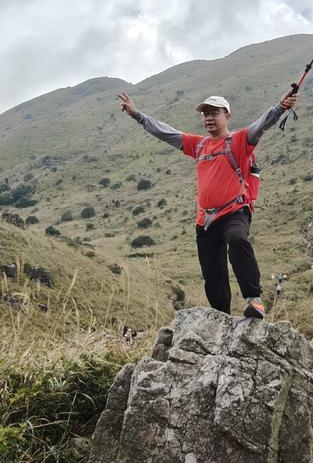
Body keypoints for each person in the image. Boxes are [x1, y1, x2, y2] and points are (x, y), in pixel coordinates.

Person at [118, 89, 298, 319]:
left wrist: (281, 106)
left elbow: (262, 124)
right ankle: (220, 317)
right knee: (212, 273)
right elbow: (165, 132)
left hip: (235, 211)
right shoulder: (199, 145)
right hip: (205, 219)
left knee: (237, 239)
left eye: (214, 113)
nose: (208, 118)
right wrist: (137, 115)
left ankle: (254, 300)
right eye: (205, 114)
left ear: (227, 116)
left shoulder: (240, 140)